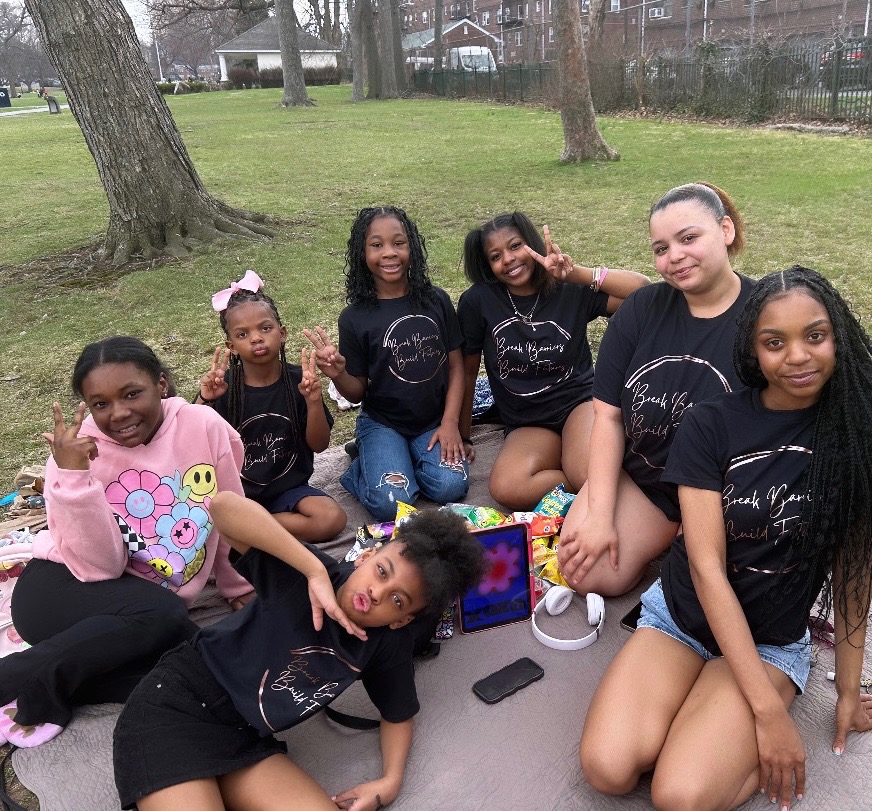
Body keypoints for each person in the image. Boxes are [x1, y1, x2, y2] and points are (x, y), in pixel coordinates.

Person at [580, 266, 872, 811]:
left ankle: (725, 722)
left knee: (679, 795)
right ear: (753, 351)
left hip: (769, 639)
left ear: (838, 336)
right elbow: (706, 567)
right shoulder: (711, 423)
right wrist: (766, 713)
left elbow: (854, 573)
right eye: (774, 342)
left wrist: (848, 694)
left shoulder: (857, 436)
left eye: (815, 335)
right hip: (683, 615)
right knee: (607, 768)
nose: (798, 356)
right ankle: (720, 714)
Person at [113, 493, 487, 811]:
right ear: (366, 556)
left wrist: (389, 781)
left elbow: (398, 714)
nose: (377, 592)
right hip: (175, 708)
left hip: (244, 737)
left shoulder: (387, 643)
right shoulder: (305, 574)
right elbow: (223, 507)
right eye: (382, 572)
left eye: (397, 600)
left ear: (402, 620)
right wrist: (312, 570)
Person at [0, 337, 253, 748]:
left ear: (161, 384)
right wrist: (75, 478)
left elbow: (229, 511)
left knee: (206, 667)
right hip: (62, 591)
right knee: (166, 614)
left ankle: (53, 687)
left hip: (139, 614)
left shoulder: (203, 426)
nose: (118, 413)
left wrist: (235, 584)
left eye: (132, 393)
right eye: (100, 404)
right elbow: (101, 566)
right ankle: (10, 678)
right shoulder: (73, 454)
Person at [557, 182, 755, 597]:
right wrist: (600, 515)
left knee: (729, 587)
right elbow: (608, 416)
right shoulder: (641, 308)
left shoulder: (765, 316)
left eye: (689, 238)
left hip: (725, 491)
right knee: (586, 573)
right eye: (661, 248)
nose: (674, 256)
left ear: (725, 230)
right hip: (648, 481)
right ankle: (639, 515)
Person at [457, 212, 650, 511]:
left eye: (515, 246)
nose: (508, 259)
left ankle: (589, 472)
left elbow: (643, 291)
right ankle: (584, 475)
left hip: (578, 404)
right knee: (507, 488)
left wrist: (576, 274)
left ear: (532, 244)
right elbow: (468, 373)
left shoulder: (566, 288)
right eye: (495, 256)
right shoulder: (478, 302)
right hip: (528, 421)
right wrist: (464, 434)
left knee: (588, 474)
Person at [305, 206, 470, 521]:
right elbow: (356, 393)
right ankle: (364, 464)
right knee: (391, 502)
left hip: (433, 422)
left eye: (398, 243)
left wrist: (450, 424)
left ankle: (397, 460)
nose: (389, 253)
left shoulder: (436, 300)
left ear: (412, 247)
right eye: (377, 245)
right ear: (362, 253)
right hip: (383, 423)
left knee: (451, 486)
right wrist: (339, 374)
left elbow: (455, 367)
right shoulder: (354, 317)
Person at [197, 270, 346, 543]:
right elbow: (193, 447)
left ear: (282, 333)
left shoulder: (300, 381)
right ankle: (247, 526)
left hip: (288, 492)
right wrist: (205, 401)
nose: (256, 338)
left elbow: (319, 445)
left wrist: (313, 402)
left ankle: (249, 529)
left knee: (331, 518)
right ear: (232, 345)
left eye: (265, 328)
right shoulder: (223, 388)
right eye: (243, 334)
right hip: (239, 496)